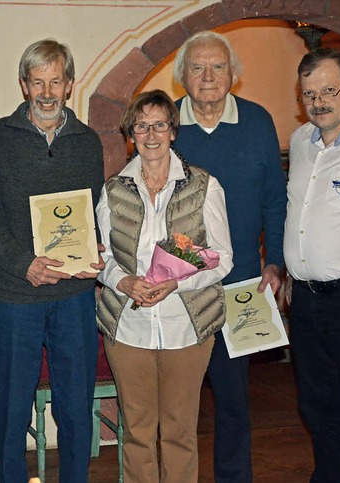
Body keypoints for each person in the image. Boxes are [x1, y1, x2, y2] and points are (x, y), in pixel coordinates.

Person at [0, 38, 105, 482]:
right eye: (38, 82)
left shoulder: (88, 142)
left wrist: (97, 249)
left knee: (75, 408)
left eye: (56, 81)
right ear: (24, 85)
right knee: (12, 413)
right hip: (13, 296)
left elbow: (93, 212)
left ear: (70, 84)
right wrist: (25, 263)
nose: (47, 92)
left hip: (73, 295)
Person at [96, 89, 233, 482]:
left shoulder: (204, 186)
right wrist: (123, 280)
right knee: (137, 432)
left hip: (187, 326)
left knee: (179, 432)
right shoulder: (113, 190)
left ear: (173, 131)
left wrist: (178, 283)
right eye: (142, 126)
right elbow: (100, 256)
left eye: (159, 125)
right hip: (128, 326)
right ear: (131, 133)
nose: (151, 134)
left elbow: (223, 258)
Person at [172, 30, 287, 483]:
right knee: (176, 403)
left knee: (234, 401)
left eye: (218, 66)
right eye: (197, 67)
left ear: (233, 75)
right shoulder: (167, 123)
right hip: (178, 287)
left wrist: (274, 260)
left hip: (243, 286)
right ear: (182, 75)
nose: (208, 76)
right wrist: (194, 264)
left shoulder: (257, 121)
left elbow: (275, 200)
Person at [284, 48, 340, 483]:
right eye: (308, 93)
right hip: (307, 303)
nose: (318, 102)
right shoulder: (301, 142)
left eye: (328, 90)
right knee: (317, 406)